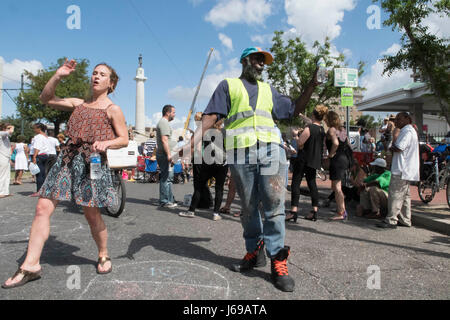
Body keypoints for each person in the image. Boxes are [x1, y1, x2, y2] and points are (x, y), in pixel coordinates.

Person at [192, 46, 320, 292]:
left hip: (271, 150)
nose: (261, 64)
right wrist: (194, 140)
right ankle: (254, 251)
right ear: (245, 61)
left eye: (264, 61)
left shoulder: (268, 90)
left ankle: (278, 260)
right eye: (257, 59)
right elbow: (211, 115)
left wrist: (312, 85)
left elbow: (292, 110)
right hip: (241, 152)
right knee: (249, 208)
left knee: (273, 205)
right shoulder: (228, 85)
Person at [2, 59, 128, 289]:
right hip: (67, 159)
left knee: (91, 215)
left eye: (102, 74)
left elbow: (124, 139)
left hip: (93, 162)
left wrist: (106, 142)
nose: (96, 76)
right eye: (94, 73)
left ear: (111, 83)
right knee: (42, 207)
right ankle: (30, 266)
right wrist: (58, 76)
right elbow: (46, 99)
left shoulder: (113, 109)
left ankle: (103, 253)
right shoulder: (78, 103)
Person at [179, 119, 228, 221]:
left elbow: (197, 145)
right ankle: (216, 213)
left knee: (199, 187)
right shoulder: (225, 132)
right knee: (219, 189)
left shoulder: (205, 132)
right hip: (222, 163)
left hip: (207, 162)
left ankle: (191, 211)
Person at [377, 112, 419, 229]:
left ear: (407, 119)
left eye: (399, 119)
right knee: (405, 196)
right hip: (405, 168)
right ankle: (405, 219)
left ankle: (392, 219)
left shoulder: (407, 131)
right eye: (396, 120)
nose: (396, 122)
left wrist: (390, 147)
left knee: (395, 194)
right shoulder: (408, 130)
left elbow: (399, 147)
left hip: (401, 168)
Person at [287, 105, 328, 222]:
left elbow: (300, 143)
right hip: (314, 160)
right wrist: (300, 115)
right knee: (312, 184)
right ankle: (314, 211)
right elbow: (310, 121)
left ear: (314, 115)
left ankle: (293, 211)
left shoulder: (308, 128)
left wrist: (295, 135)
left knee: (296, 183)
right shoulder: (321, 129)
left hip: (303, 159)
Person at [325, 111, 353, 221]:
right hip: (344, 159)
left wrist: (330, 155)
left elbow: (335, 143)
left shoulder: (332, 130)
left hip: (337, 159)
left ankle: (342, 211)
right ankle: (340, 207)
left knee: (337, 187)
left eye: (326, 119)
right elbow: (348, 144)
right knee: (335, 185)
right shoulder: (342, 130)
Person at [156, 104, 177, 208]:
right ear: (168, 113)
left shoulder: (164, 123)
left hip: (166, 154)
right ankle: (165, 201)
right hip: (165, 155)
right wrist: (169, 155)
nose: (174, 114)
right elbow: (164, 140)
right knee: (166, 178)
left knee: (168, 178)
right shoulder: (163, 123)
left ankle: (169, 199)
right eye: (173, 112)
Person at [30, 123, 51, 197]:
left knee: (39, 174)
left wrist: (34, 157)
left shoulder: (38, 137)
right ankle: (44, 190)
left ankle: (39, 191)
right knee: (44, 174)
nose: (34, 130)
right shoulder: (45, 137)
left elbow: (37, 147)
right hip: (45, 155)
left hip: (39, 156)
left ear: (39, 129)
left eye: (35, 128)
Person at [0, 123, 14, 198]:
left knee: (7, 175)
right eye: (7, 128)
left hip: (6, 157)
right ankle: (0, 191)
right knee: (2, 175)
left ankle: (6, 191)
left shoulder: (5, 135)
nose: (9, 129)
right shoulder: (1, 133)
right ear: (3, 128)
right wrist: (12, 127)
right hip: (2, 156)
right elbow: (10, 132)